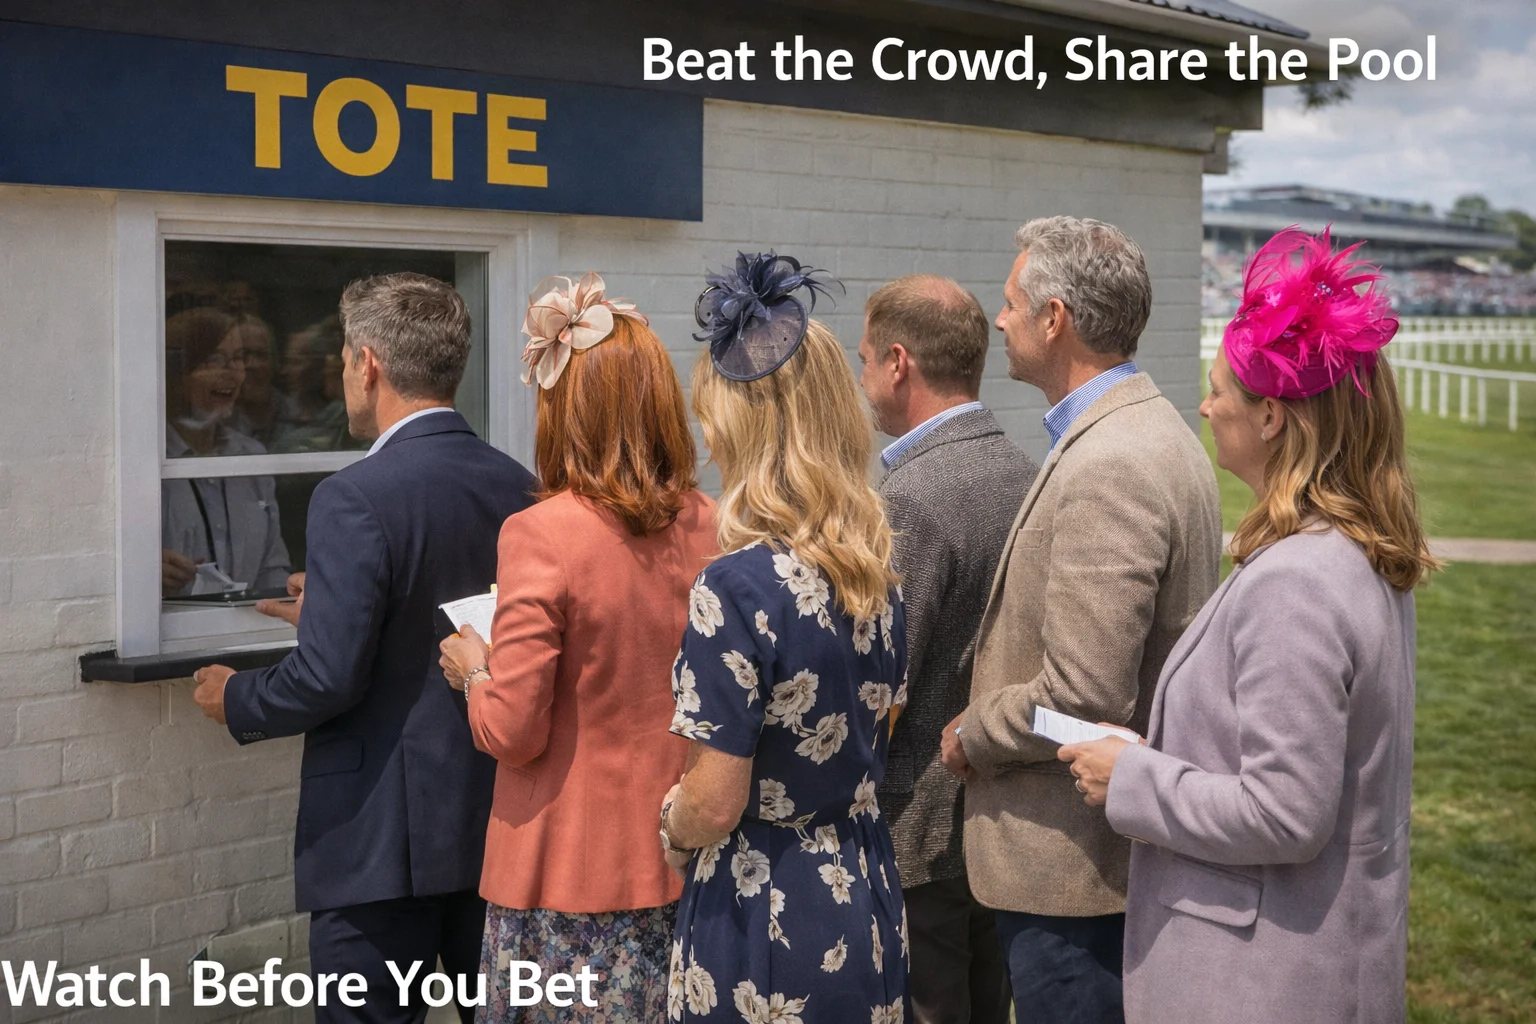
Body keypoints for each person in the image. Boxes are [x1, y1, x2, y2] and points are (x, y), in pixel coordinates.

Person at [1058, 228, 1435, 1024]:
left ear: (1270, 417)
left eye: (1218, 388)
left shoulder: (1298, 579)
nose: (1204, 404)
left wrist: (1131, 778)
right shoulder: (1349, 553)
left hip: (1265, 983)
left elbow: (1284, 813)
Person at [191, 272, 538, 1024]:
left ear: (369, 364)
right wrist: (324, 616)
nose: (344, 376)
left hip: (378, 843)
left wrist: (236, 699)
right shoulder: (522, 486)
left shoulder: (354, 493)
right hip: (496, 824)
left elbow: (327, 677)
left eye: (348, 360)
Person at [939, 216, 1222, 1024]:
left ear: (1054, 317)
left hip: (1074, 878)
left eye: (1010, 303)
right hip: (1092, 871)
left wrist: (976, 731)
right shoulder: (1141, 432)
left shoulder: (1113, 461)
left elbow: (1084, 692)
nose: (999, 321)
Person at [436, 273, 718, 1022]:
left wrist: (475, 671)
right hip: (685, 861)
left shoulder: (542, 533)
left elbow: (512, 730)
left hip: (565, 874)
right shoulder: (712, 525)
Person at [659, 253, 909, 1023]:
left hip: (761, 904)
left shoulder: (735, 588)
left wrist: (672, 821)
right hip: (860, 891)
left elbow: (714, 801)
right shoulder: (874, 571)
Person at [857, 275, 1034, 1024]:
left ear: (899, 363)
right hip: (996, 815)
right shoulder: (1026, 471)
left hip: (917, 837)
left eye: (864, 359)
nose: (862, 380)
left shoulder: (910, 499)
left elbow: (881, 685)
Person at [161, 306, 290, 597]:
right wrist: (146, 571)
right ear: (178, 373)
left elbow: (273, 567)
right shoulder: (147, 458)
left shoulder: (251, 457)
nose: (233, 372)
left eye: (237, 359)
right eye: (214, 359)